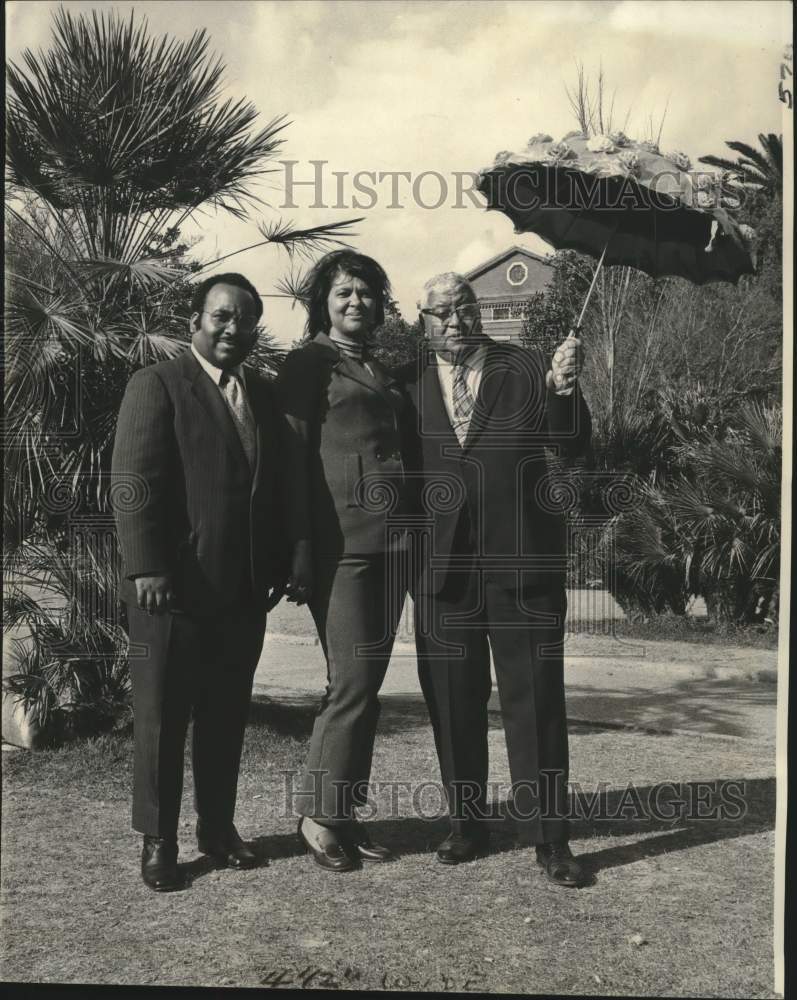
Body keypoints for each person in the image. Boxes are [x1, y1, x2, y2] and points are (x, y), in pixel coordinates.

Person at [398, 272, 591, 886]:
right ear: (421, 319)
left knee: (534, 701)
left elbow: (573, 442)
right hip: (442, 573)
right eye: (441, 312)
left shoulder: (530, 367)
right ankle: (467, 824)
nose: (455, 320)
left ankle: (550, 839)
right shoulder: (404, 386)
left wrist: (564, 389)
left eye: (464, 308)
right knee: (452, 702)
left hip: (522, 568)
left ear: (478, 312)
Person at [111, 272, 287, 891]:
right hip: (171, 590)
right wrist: (146, 566)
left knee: (224, 714)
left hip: (240, 594)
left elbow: (272, 491)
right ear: (195, 321)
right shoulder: (157, 384)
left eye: (246, 319)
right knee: (161, 718)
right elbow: (133, 484)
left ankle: (217, 828)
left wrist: (279, 565)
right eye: (223, 317)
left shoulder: (261, 395)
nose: (235, 329)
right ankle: (158, 842)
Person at [276, 250, 408, 872]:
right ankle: (317, 816)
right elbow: (293, 458)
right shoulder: (307, 363)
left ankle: (344, 813)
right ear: (323, 303)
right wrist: (299, 544)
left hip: (392, 543)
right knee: (351, 684)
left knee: (368, 688)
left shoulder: (377, 367)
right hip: (341, 546)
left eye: (367, 292)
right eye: (343, 293)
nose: (357, 302)